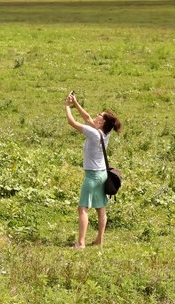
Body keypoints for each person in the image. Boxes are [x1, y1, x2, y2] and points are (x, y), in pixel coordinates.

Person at [65, 92, 122, 248]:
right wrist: (75, 103)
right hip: (103, 174)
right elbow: (87, 118)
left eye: (99, 115)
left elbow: (72, 122)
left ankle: (81, 243)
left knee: (82, 208)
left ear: (102, 121)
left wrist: (67, 106)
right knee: (100, 208)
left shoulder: (93, 133)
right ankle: (99, 240)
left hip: (92, 177)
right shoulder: (104, 134)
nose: (96, 116)